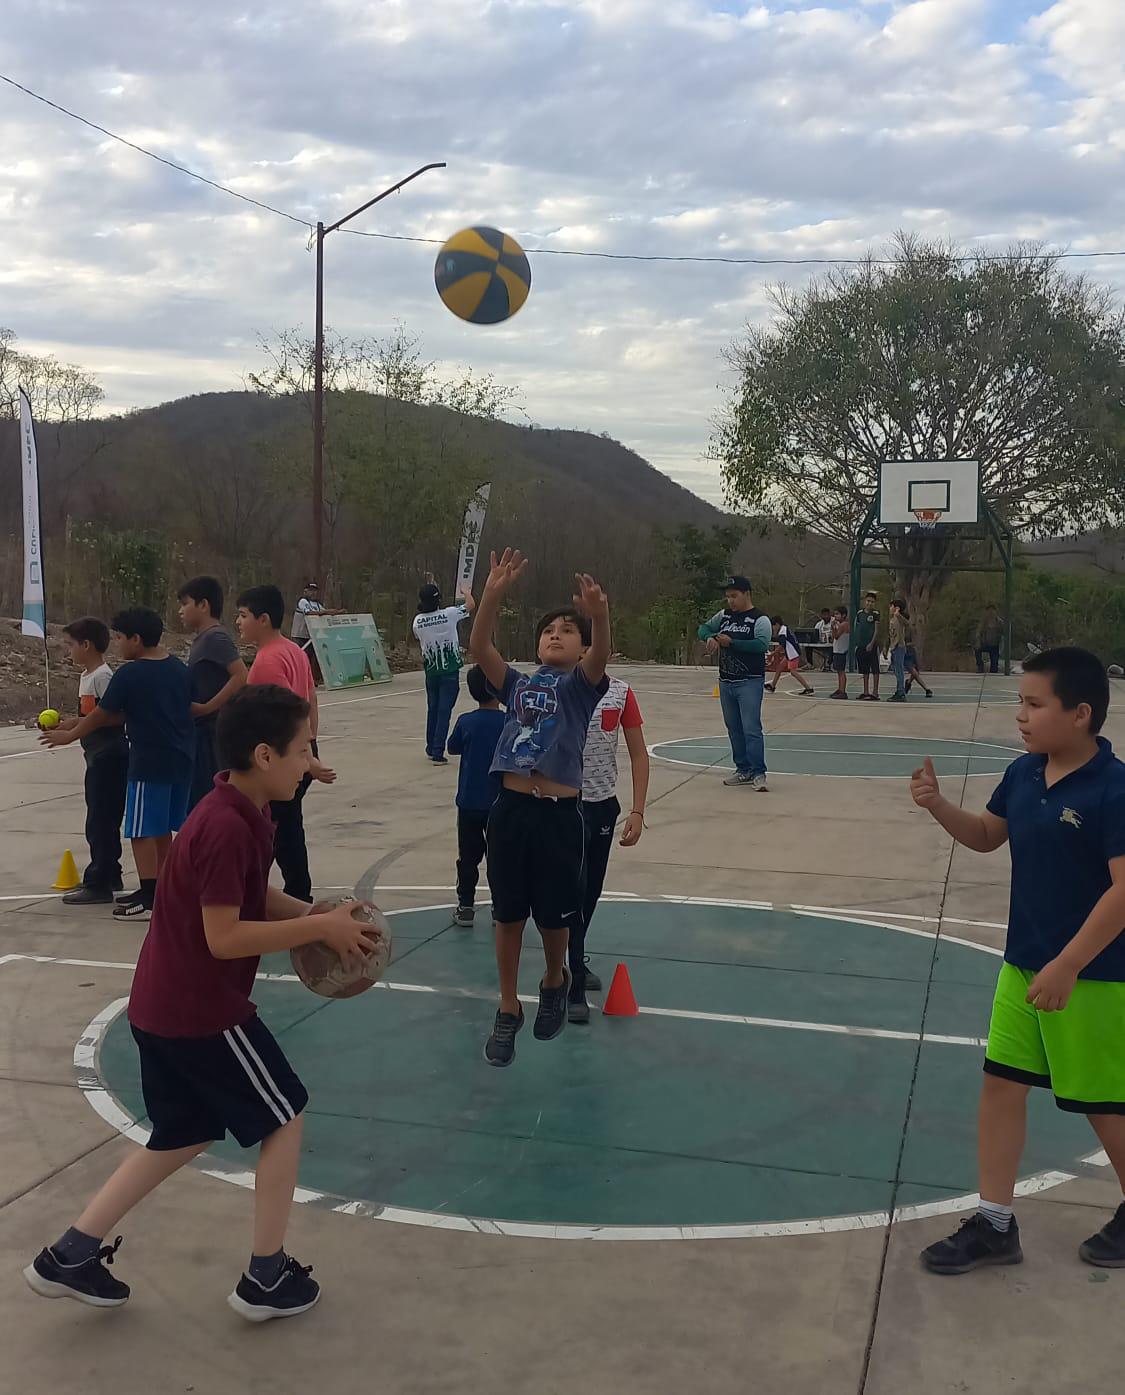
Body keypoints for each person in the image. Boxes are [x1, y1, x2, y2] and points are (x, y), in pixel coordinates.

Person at [23, 685, 383, 1319]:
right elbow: (225, 937)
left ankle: (69, 1254)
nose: (310, 763)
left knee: (183, 1132)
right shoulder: (223, 825)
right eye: (304, 751)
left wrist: (309, 911)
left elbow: (248, 894)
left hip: (161, 1006)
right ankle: (266, 1277)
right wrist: (318, 931)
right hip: (200, 1012)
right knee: (284, 1116)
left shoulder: (239, 810)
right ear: (266, 755)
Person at [911, 647, 1125, 1275]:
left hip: (1094, 976)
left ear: (1081, 713)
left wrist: (1068, 965)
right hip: (1023, 963)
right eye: (1020, 703)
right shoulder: (1025, 774)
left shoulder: (1114, 789)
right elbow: (985, 835)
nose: (1021, 716)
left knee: (1103, 1103)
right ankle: (995, 1224)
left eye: (1035, 704)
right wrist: (938, 805)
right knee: (1001, 1084)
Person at [469, 548, 611, 1068]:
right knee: (508, 912)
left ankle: (555, 977)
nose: (555, 634)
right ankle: (508, 1006)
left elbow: (601, 656)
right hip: (510, 809)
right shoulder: (519, 685)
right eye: (548, 629)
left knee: (554, 915)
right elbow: (480, 645)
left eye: (567, 631)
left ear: (581, 649)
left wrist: (598, 614)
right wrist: (491, 595)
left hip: (557, 816)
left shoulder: (582, 687)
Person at [41, 608, 194, 922]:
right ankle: (167, 889)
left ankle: (149, 894)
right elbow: (119, 714)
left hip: (148, 762)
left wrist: (70, 734)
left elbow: (100, 715)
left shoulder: (129, 674)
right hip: (181, 760)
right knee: (163, 829)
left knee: (140, 830)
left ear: (136, 640)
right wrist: (72, 724)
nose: (118, 644)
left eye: (121, 638)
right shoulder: (179, 669)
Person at [236, 585, 336, 902]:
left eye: (243, 615)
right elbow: (310, 700)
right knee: (287, 828)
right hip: (297, 751)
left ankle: (273, 896)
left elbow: (286, 716)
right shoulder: (294, 650)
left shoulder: (267, 661)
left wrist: (306, 758)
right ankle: (296, 895)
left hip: (282, 758)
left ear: (263, 619)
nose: (238, 622)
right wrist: (311, 746)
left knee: (271, 831)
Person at [568, 674, 649, 1023]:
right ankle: (570, 982)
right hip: (563, 805)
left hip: (602, 806)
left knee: (592, 891)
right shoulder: (558, 688)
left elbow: (639, 755)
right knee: (573, 890)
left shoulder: (620, 692)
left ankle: (575, 955)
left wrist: (637, 810)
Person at [55, 617, 129, 905]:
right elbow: (92, 717)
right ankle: (111, 872)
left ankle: (99, 881)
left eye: (71, 645)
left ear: (87, 645)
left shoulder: (102, 677)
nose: (68, 650)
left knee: (101, 821)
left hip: (109, 757)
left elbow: (116, 714)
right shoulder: (87, 676)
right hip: (95, 756)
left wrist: (74, 732)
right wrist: (69, 724)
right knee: (101, 819)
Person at [178, 576, 248, 810]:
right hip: (201, 733)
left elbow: (240, 675)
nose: (181, 611)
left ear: (204, 605)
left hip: (210, 735)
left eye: (185, 604)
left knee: (208, 804)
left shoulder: (215, 638)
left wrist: (208, 707)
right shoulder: (203, 639)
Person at [697, 575, 773, 790]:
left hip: (749, 681)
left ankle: (759, 772)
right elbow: (703, 628)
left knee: (751, 728)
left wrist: (733, 643)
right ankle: (743, 768)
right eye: (728, 597)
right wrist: (710, 638)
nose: (730, 601)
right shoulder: (724, 616)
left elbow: (760, 645)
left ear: (746, 594)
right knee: (734, 727)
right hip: (726, 680)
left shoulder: (760, 620)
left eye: (734, 596)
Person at [447, 665, 506, 928]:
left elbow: (453, 747)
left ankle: (466, 906)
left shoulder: (466, 721)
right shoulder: (508, 721)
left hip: (470, 802)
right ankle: (499, 908)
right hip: (501, 802)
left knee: (468, 856)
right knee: (500, 857)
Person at [412, 583, 477, 764]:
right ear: (438, 599)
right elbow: (471, 605)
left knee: (433, 709)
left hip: (431, 671)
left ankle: (430, 744)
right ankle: (438, 750)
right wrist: (466, 593)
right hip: (449, 670)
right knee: (444, 711)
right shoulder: (449, 614)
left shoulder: (418, 621)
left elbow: (419, 637)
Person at [291, 581, 344, 685]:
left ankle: (313, 679)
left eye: (315, 591)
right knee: (302, 657)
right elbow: (309, 612)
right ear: (305, 591)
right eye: (311, 591)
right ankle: (300, 679)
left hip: (313, 635)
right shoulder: (302, 601)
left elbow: (324, 612)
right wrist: (326, 612)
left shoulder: (318, 604)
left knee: (313, 658)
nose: (313, 593)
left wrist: (336, 612)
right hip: (300, 635)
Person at [765, 617, 815, 696]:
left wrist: (772, 654)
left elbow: (782, 645)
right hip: (790, 653)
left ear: (777, 624)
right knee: (780, 667)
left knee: (793, 672)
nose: (773, 628)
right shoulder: (784, 628)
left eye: (773, 626)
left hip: (793, 653)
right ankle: (772, 686)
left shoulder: (782, 631)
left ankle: (808, 688)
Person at [853, 591, 882, 701]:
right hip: (861, 644)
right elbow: (858, 628)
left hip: (871, 645)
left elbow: (876, 630)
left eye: (872, 602)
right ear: (865, 601)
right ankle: (865, 692)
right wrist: (857, 642)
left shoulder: (875, 614)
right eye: (868, 601)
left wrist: (872, 643)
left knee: (874, 668)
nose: (870, 603)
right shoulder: (860, 613)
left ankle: (875, 692)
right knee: (864, 669)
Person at [887, 599, 909, 702]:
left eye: (891, 606)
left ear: (896, 608)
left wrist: (898, 614)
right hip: (894, 647)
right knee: (896, 670)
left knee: (899, 670)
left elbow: (907, 623)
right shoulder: (892, 619)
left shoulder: (899, 618)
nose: (889, 608)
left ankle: (901, 692)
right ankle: (899, 690)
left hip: (899, 647)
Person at [829, 606, 851, 700]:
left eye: (837, 614)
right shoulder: (840, 624)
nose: (835, 616)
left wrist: (833, 628)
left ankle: (842, 691)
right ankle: (840, 688)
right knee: (838, 670)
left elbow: (836, 636)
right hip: (837, 649)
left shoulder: (844, 625)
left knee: (841, 671)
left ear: (844, 615)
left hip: (841, 650)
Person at [976, 604, 1004, 674]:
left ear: (995, 612)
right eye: (989, 611)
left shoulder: (1000, 622)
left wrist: (1001, 647)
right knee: (977, 649)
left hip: (995, 645)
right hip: (985, 644)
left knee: (994, 668)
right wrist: (978, 641)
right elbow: (978, 632)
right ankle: (980, 666)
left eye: (992, 611)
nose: (991, 613)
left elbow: (1004, 634)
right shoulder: (984, 622)